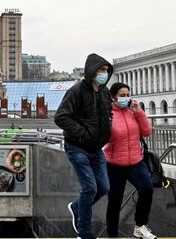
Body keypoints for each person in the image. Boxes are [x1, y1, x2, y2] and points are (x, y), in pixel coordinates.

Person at [55, 53, 113, 239]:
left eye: (106, 70)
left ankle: (76, 207)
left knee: (103, 187)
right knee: (90, 188)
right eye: (101, 70)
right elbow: (61, 117)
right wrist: (83, 134)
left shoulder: (104, 92)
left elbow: (108, 114)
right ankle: (85, 232)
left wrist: (106, 132)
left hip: (96, 149)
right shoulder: (76, 91)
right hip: (77, 147)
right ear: (91, 71)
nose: (104, 73)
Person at [104, 82, 156, 239]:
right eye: (122, 95)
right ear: (113, 98)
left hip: (136, 161)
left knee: (147, 188)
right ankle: (112, 235)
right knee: (115, 202)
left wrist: (139, 112)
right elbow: (105, 138)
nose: (126, 98)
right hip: (114, 164)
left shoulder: (133, 112)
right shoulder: (108, 114)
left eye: (128, 95)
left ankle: (140, 226)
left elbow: (147, 132)